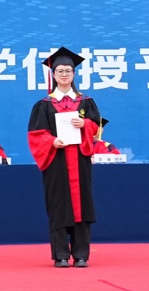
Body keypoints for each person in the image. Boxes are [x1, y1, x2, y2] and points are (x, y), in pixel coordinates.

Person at [26, 47, 100, 268]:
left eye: (68, 70)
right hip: (56, 161)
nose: (64, 74)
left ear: (74, 74)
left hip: (80, 160)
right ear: (54, 74)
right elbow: (36, 134)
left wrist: (84, 124)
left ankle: (81, 254)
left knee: (82, 205)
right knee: (59, 205)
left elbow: (95, 127)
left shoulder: (86, 102)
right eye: (60, 71)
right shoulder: (44, 104)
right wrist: (51, 141)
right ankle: (60, 255)